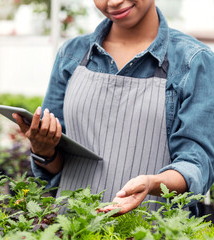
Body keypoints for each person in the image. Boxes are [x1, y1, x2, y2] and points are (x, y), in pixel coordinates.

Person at [13, 0, 214, 216]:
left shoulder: (193, 61)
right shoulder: (70, 55)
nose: (114, 2)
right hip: (72, 226)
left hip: (151, 228)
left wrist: (152, 184)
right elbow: (58, 166)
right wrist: (44, 150)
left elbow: (197, 164)